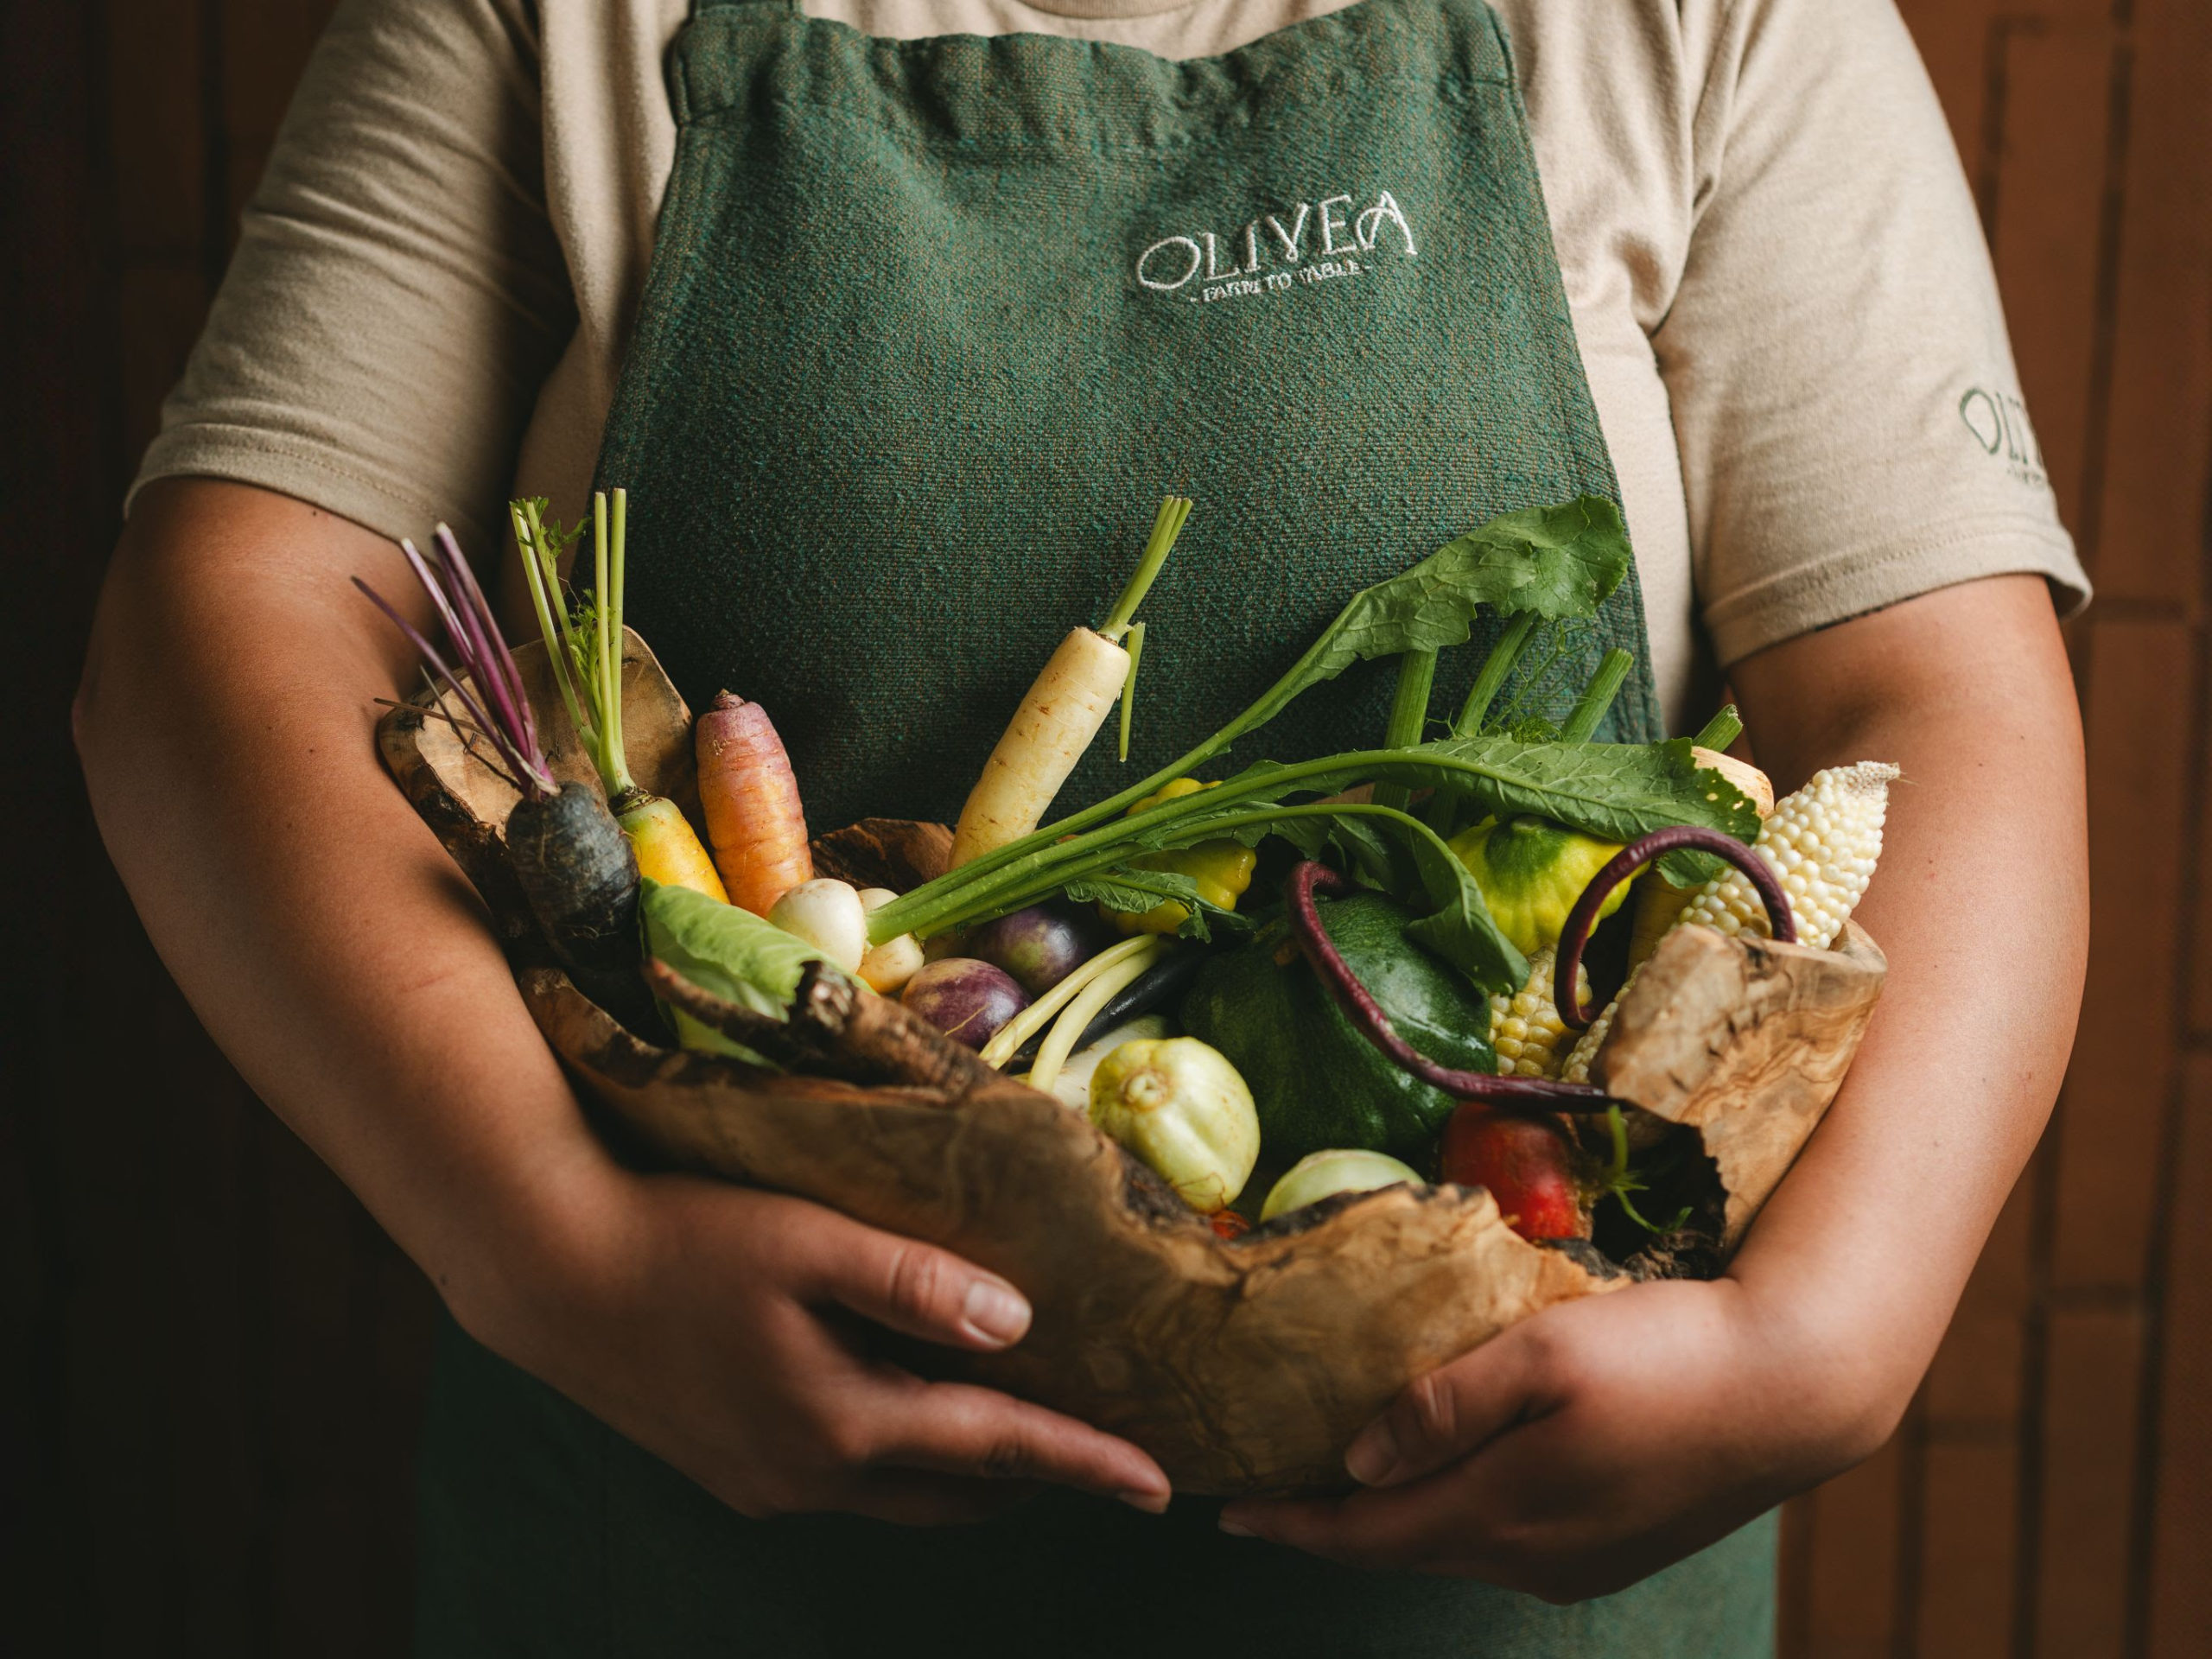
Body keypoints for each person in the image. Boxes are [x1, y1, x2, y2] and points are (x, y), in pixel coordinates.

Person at [75, 0, 2089, 1652]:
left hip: (1501, 1595)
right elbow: (218, 628)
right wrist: (543, 1238)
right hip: (687, 1548)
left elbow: (1934, 697)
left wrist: (1832, 1331)